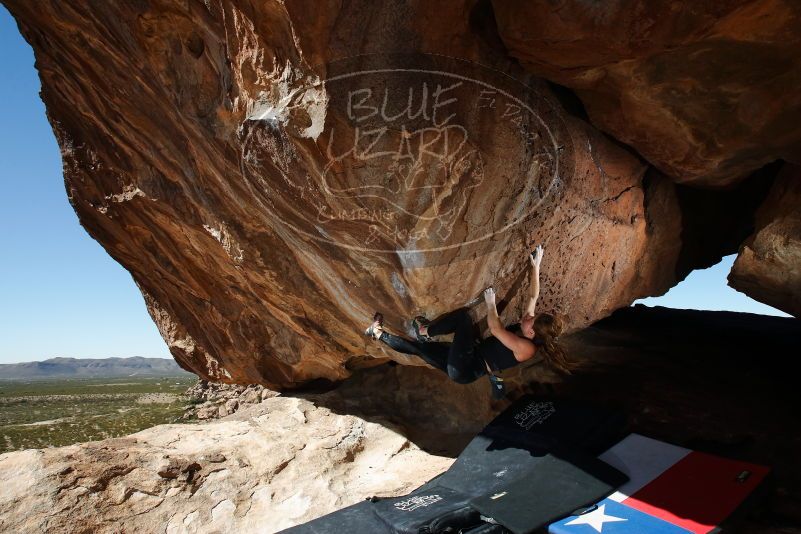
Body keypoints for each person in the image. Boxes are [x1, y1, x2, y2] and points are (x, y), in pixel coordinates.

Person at [364, 245, 573, 398]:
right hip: (467, 359)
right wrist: (536, 267)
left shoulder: (527, 349)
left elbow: (496, 329)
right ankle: (377, 333)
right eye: (532, 316)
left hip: (465, 367)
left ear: (532, 334)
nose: (528, 317)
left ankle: (426, 330)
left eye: (531, 320)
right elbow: (533, 297)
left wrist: (491, 304)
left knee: (464, 319)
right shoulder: (529, 331)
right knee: (419, 350)